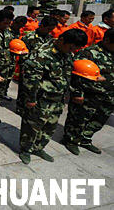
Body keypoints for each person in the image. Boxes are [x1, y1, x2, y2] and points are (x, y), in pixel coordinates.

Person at [18, 29, 88, 164]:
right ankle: (25, 149)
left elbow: (68, 75)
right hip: (41, 99)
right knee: (32, 126)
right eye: (71, 47)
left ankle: (38, 147)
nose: (72, 51)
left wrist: (75, 92)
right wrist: (31, 99)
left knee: (50, 126)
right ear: (61, 40)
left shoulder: (67, 53)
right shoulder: (42, 53)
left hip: (58, 99)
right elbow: (30, 78)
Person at [62, 28, 114, 155]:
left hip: (108, 96)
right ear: (107, 40)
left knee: (99, 120)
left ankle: (85, 139)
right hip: (89, 95)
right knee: (78, 120)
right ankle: (71, 141)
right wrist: (77, 93)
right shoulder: (89, 53)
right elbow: (74, 75)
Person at [16, 16, 59, 115]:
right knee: (24, 88)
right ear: (42, 25)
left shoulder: (50, 39)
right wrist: (23, 67)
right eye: (48, 29)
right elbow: (22, 53)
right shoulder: (29, 37)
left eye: (52, 29)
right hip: (28, 66)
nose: (50, 31)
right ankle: (20, 107)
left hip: (42, 68)